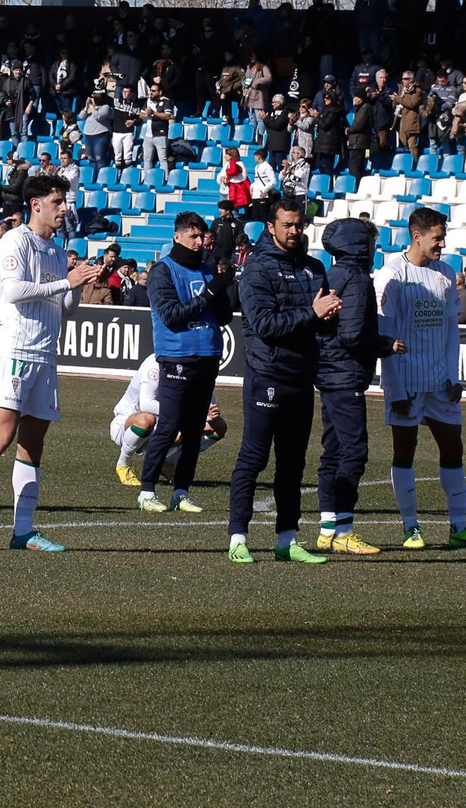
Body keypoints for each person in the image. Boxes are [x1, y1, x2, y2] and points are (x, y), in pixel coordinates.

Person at [0, 175, 101, 554]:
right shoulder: (16, 240)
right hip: (15, 350)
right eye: (57, 201)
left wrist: (76, 284)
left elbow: (63, 310)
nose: (64, 208)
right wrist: (65, 282)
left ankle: (24, 530)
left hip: (46, 355)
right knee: (1, 436)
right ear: (36, 205)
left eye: (65, 201)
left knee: (33, 443)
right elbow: (13, 290)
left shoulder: (56, 250)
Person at [225, 197, 341, 564]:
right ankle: (238, 538)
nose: (294, 231)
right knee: (253, 459)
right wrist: (312, 312)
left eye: (299, 225)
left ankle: (287, 540)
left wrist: (329, 315)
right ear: (271, 227)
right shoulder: (258, 270)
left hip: (302, 378)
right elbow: (265, 326)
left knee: (292, 464)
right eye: (287, 225)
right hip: (268, 376)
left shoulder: (314, 268)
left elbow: (323, 325)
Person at [376, 207, 466, 551]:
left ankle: (459, 527)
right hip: (406, 382)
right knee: (405, 451)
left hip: (439, 382)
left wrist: (452, 375)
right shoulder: (391, 276)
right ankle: (411, 528)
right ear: (417, 236)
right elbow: (385, 336)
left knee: (453, 447)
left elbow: (450, 331)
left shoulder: (445, 273)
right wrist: (395, 386)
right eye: (438, 238)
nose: (442, 244)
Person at [314, 218, 406, 556]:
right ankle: (343, 529)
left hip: (329, 373)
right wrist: (382, 344)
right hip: (345, 375)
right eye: (370, 242)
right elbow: (352, 334)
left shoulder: (334, 273)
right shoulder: (356, 278)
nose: (374, 248)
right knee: (353, 452)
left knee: (333, 451)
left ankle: (328, 528)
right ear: (359, 244)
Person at [134, 212, 235, 513]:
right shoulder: (163, 271)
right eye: (192, 236)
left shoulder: (207, 269)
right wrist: (211, 291)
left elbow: (225, 317)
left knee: (194, 429)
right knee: (169, 426)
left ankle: (181, 491)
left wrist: (223, 289)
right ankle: (146, 491)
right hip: (177, 355)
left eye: (201, 236)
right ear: (177, 237)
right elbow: (172, 316)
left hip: (208, 354)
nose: (198, 242)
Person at [111, 352, 228, 486]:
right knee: (146, 420)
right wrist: (187, 420)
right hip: (127, 426)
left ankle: (166, 463)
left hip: (167, 427)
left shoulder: (198, 370)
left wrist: (209, 418)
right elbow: (146, 404)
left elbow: (207, 413)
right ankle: (123, 464)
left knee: (218, 427)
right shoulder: (156, 361)